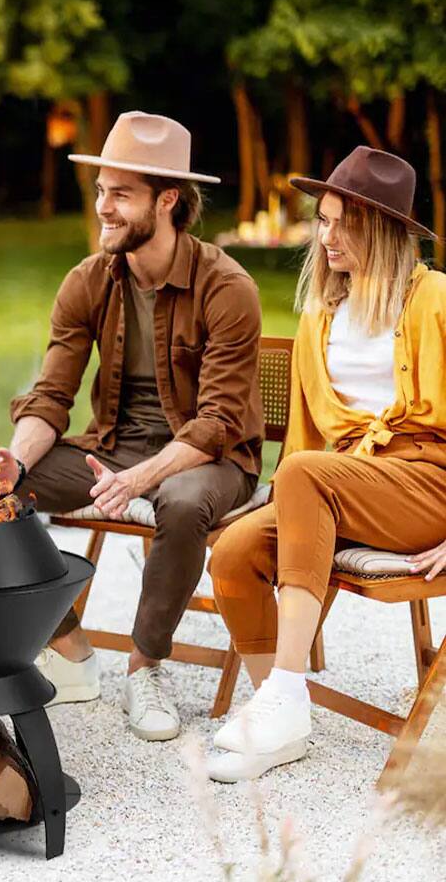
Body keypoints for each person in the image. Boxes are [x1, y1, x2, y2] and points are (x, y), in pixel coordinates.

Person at [0, 111, 264, 742]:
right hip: (113, 449)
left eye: (120, 193)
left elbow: (218, 422)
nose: (102, 207)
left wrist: (139, 476)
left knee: (182, 501)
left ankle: (147, 667)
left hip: (212, 460)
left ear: (166, 199)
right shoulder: (88, 280)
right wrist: (16, 463)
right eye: (99, 190)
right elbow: (51, 397)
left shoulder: (227, 287)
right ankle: (69, 648)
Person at [207, 146, 446, 781]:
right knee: (232, 553)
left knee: (305, 475)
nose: (327, 234)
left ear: (387, 231)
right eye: (324, 218)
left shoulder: (437, 301)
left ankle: (283, 693)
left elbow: (307, 468)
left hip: (430, 486)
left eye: (346, 221)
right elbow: (308, 444)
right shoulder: (321, 314)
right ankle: (280, 713)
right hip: (343, 485)